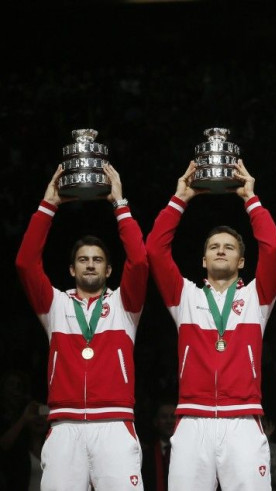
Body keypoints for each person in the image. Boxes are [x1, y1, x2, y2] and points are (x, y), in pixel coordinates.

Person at [145, 159, 276, 490]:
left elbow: (274, 249)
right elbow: (155, 249)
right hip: (193, 420)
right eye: (214, 247)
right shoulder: (185, 298)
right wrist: (180, 199)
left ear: (241, 261)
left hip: (244, 418)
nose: (221, 251)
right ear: (203, 260)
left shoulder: (257, 298)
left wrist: (250, 199)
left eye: (229, 247)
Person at [15, 163, 148, 489]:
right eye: (83, 259)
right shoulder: (56, 306)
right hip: (64, 428)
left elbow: (141, 261)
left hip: (114, 425)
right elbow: (25, 263)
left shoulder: (124, 306)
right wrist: (49, 205)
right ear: (72, 270)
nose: (90, 264)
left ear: (109, 269)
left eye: (98, 259)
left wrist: (119, 204)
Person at [141, 398, 177, 491]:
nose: (169, 421)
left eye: (173, 416)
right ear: (156, 422)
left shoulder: (189, 454)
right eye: (164, 417)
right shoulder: (145, 456)